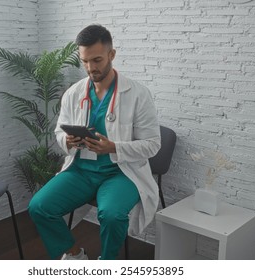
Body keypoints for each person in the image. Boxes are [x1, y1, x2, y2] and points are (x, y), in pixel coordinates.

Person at [28, 24, 161, 260]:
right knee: (39, 206)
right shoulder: (74, 93)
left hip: (121, 172)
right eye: (85, 61)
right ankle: (75, 257)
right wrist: (68, 140)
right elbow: (59, 131)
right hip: (81, 170)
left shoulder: (138, 94)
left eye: (97, 60)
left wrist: (114, 148)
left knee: (111, 215)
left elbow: (152, 144)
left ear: (112, 54)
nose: (91, 68)